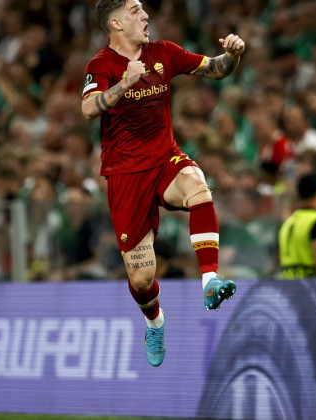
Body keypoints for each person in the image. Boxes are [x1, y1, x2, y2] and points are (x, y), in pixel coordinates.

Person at [80, 0, 241, 367]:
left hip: (164, 158)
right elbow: (88, 109)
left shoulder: (164, 52)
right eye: (136, 11)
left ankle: (210, 282)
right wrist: (125, 83)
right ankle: (155, 322)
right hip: (125, 175)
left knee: (197, 184)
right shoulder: (100, 65)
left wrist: (233, 54)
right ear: (117, 23)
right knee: (140, 279)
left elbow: (217, 69)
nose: (146, 16)